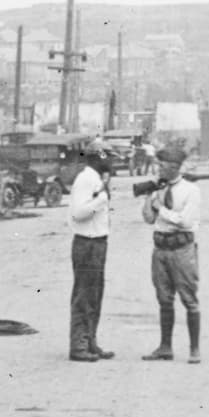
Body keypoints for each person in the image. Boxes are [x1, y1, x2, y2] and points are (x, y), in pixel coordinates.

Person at [140, 145, 203, 363]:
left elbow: (185, 222)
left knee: (189, 299)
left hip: (182, 250)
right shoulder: (159, 189)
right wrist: (149, 199)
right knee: (164, 299)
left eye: (163, 166)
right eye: (158, 165)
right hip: (161, 249)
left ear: (175, 167)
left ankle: (194, 350)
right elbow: (148, 219)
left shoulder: (190, 191)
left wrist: (161, 208)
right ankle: (165, 347)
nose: (159, 169)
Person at [67, 143, 114, 362]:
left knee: (95, 295)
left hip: (97, 242)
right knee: (84, 295)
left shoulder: (95, 178)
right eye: (107, 157)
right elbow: (78, 213)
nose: (111, 161)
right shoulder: (86, 179)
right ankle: (79, 345)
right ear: (97, 157)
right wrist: (101, 200)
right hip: (87, 243)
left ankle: (90, 341)